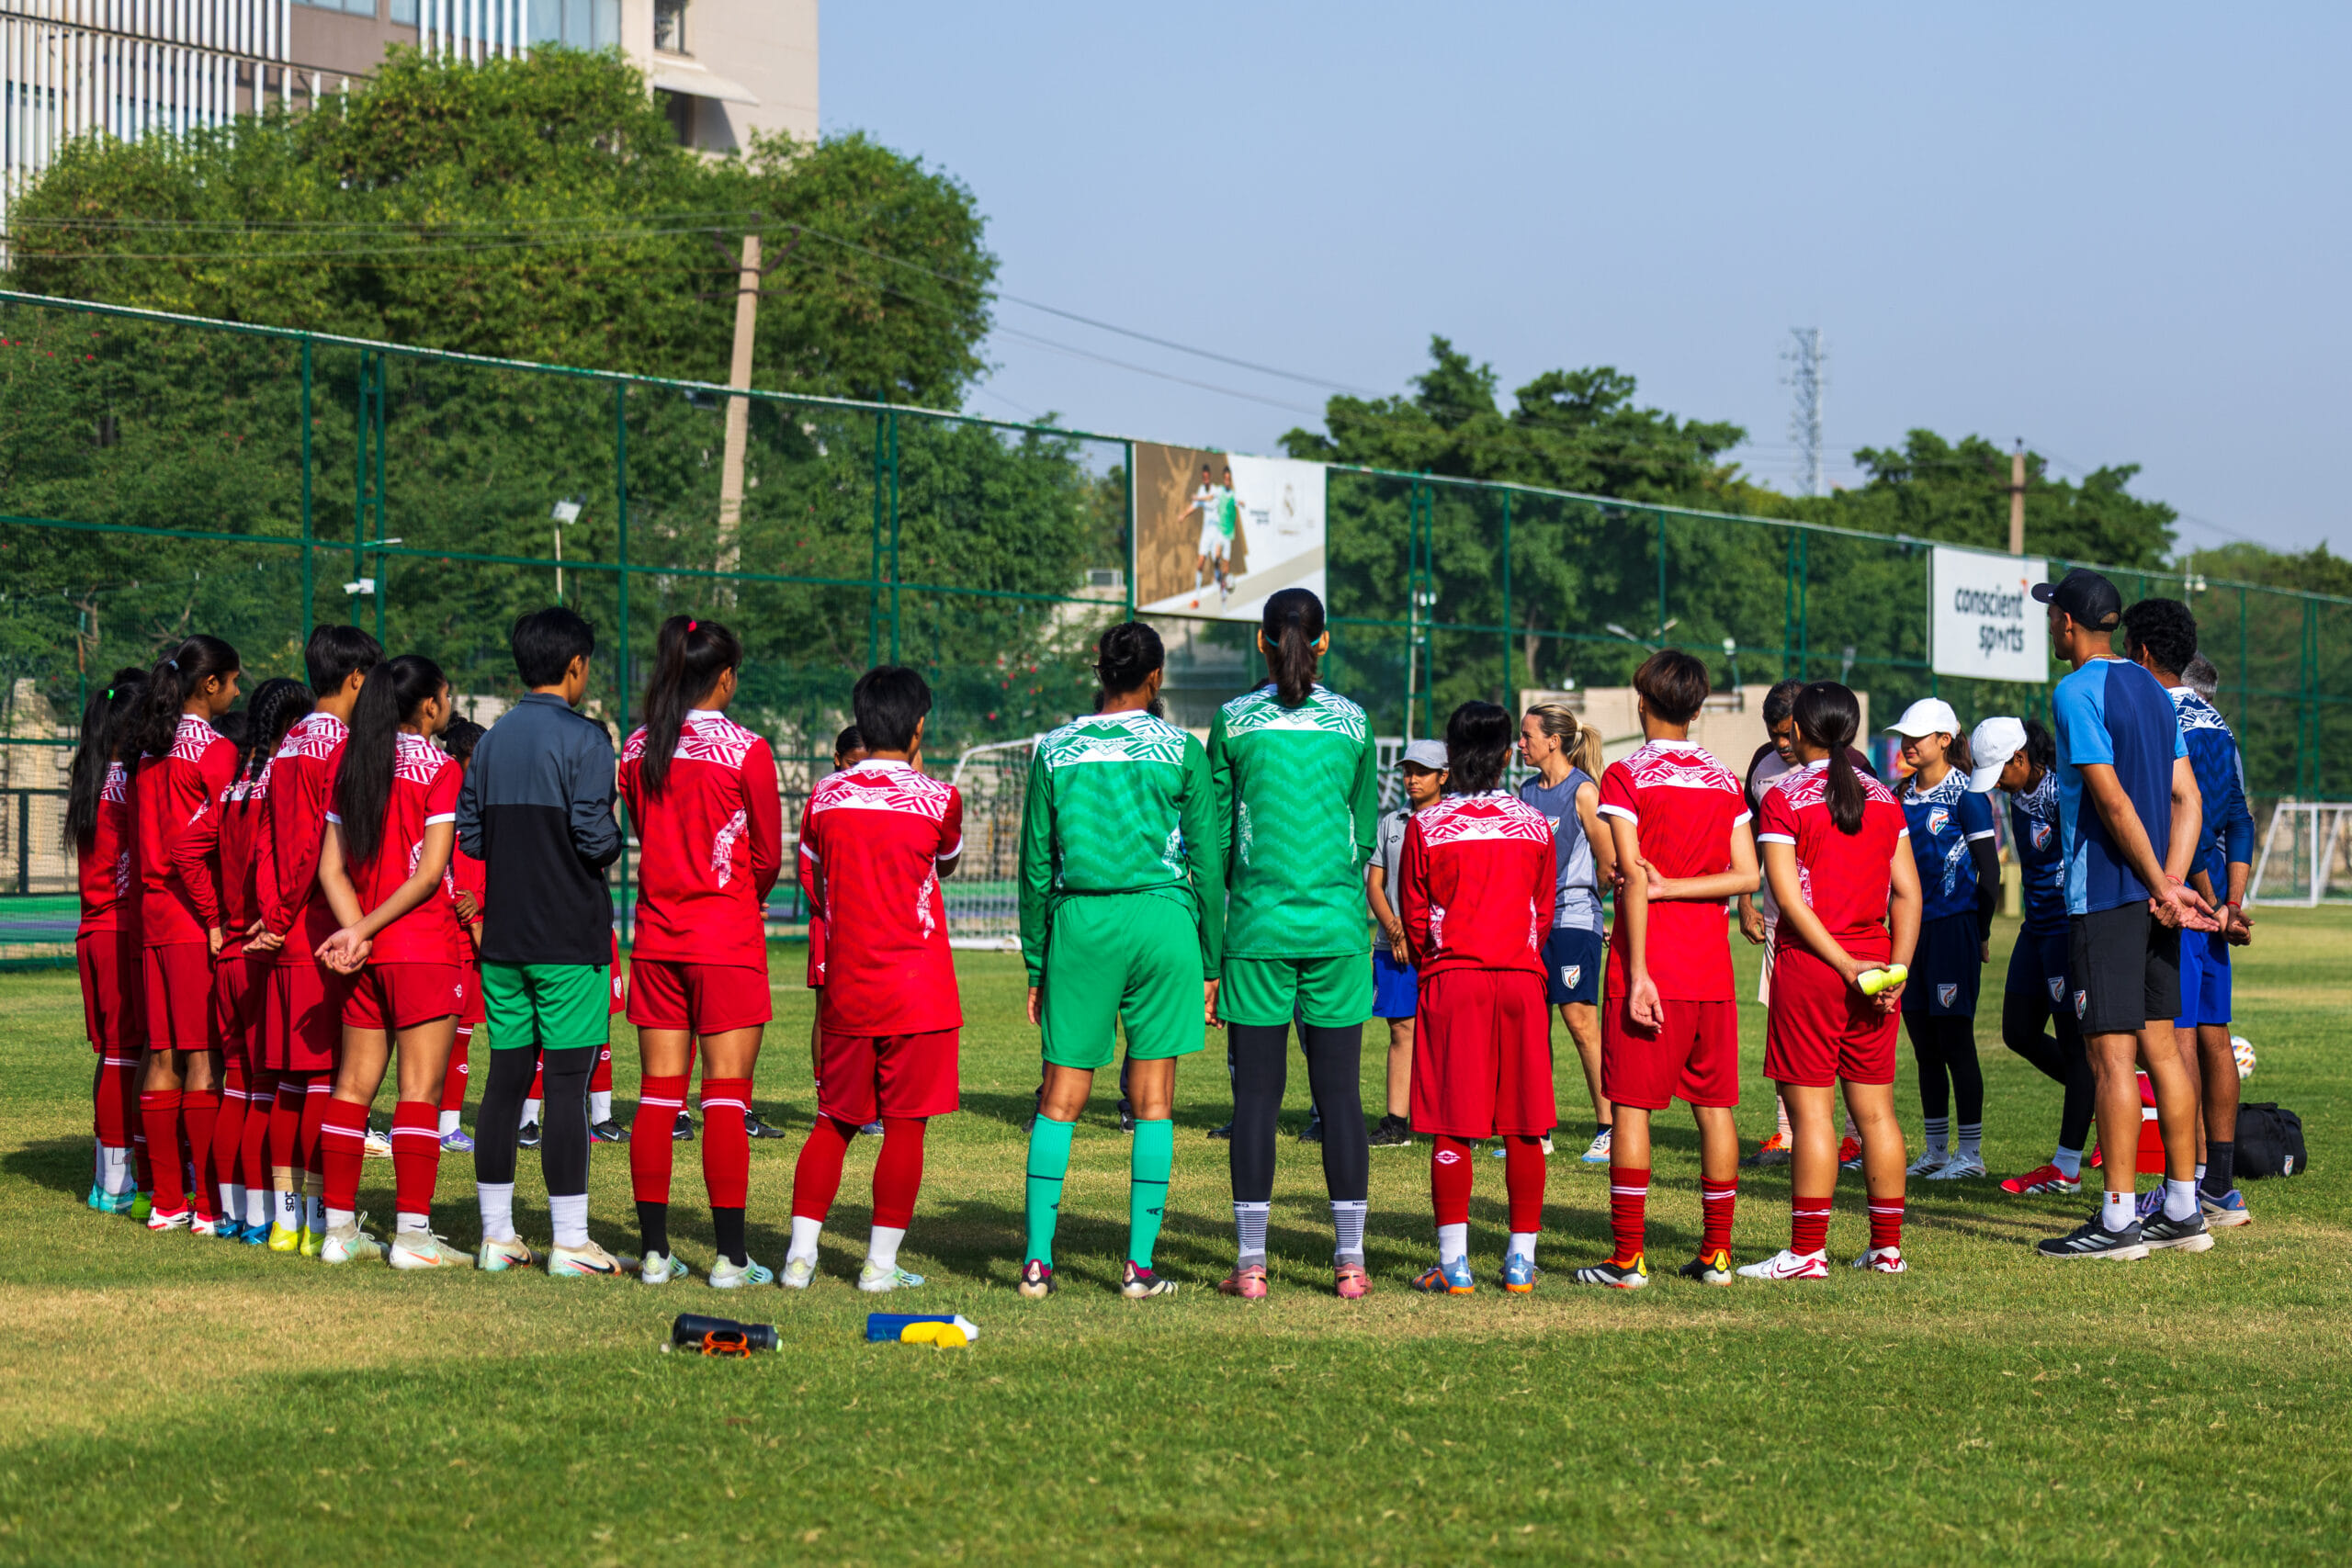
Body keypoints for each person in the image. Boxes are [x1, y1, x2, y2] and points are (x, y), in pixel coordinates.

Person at [1014, 623, 1222, 1299]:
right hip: (1164, 922)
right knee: (1154, 1100)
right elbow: (1208, 862)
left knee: (1062, 1096)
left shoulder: (1055, 748)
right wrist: (1212, 957)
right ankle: (1138, 1268)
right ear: (1155, 677)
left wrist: (1037, 961)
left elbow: (1037, 863)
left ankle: (1038, 1264)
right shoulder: (1180, 748)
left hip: (1082, 923)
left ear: (1098, 671)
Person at [2030, 568, 2218, 1260]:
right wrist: (2170, 879)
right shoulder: (2154, 687)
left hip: (2107, 896)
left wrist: (2156, 884)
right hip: (2149, 895)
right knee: (2164, 1049)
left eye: (2054, 615)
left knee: (2111, 1058)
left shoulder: (2076, 691)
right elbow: (2187, 799)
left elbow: (2111, 803)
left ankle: (2116, 1221)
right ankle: (2181, 1205)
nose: (2051, 625)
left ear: (2071, 624)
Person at [1207, 587, 1378, 1300]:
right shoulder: (1355, 722)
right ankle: (1351, 1264)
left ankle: (1251, 1266)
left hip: (1255, 929)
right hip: (1337, 930)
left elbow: (1215, 835)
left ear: (1261, 641)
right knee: (1339, 1096)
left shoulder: (1232, 720)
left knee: (1256, 1100)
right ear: (1325, 641)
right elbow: (1363, 831)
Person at [1571, 649, 1758, 1290]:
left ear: (1642, 702)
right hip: (1711, 970)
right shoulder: (1724, 778)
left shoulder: (1626, 775)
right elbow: (1747, 875)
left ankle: (1627, 1258)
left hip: (1646, 965)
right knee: (1715, 1109)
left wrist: (1642, 967)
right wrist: (1681, 886)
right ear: (1700, 707)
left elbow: (1632, 878)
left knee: (1630, 1109)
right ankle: (1718, 1254)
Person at [457, 607, 628, 1277]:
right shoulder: (586, 740)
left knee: (503, 1083)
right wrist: (611, 838)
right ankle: (571, 1241)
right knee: (565, 1087)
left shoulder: (493, 741)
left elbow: (471, 837)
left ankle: (497, 1236)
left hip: (503, 940)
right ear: (575, 666)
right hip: (567, 938)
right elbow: (595, 835)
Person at [785, 666, 964, 1292]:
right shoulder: (940, 798)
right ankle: (878, 1268)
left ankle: (799, 1258)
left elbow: (811, 877)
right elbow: (947, 862)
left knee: (832, 1119)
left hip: (848, 982)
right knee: (905, 1127)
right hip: (918, 986)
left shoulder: (824, 796)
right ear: (919, 726)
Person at [618, 616, 784, 1287]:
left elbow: (640, 829)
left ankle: (655, 1253)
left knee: (659, 1097)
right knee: (724, 1097)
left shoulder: (637, 747)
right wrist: (744, 890)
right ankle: (730, 1258)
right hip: (727, 939)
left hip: (657, 939)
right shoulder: (748, 748)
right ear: (724, 676)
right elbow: (767, 855)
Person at [1739, 682, 1920, 1279]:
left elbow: (1788, 900)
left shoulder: (1785, 795)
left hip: (1814, 969)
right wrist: (1898, 968)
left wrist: (1843, 965)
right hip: (1877, 969)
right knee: (1877, 1115)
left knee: (1813, 1116)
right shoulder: (1883, 797)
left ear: (1799, 729)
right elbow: (1909, 894)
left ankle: (1807, 1252)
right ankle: (1887, 1249)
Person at [310, 655, 473, 1269]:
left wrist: (356, 932)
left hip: (368, 953)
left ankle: (340, 1230)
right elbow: (430, 874)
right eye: (447, 694)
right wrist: (370, 928)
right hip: (422, 949)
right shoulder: (440, 768)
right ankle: (412, 1236)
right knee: (418, 1092)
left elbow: (331, 867)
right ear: (428, 705)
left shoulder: (352, 761)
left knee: (351, 1088)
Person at [1398, 702, 1558, 1294]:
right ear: (1505, 755)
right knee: (1524, 1122)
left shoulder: (1427, 826)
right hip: (1519, 977)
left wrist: (1442, 954)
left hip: (1454, 979)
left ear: (1451, 754)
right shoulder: (1536, 824)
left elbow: (1415, 915)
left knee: (1451, 1123)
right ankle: (1520, 1262)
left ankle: (1455, 1264)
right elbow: (1542, 909)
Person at [2121, 599, 2257, 1228]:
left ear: (2144, 653)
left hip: (2180, 900)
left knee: (2172, 1043)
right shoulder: (2218, 720)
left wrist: (2200, 897)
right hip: (2214, 904)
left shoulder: (2151, 716)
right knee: (2214, 1037)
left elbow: (2190, 817)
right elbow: (2240, 818)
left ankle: (2184, 1191)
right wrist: (2233, 902)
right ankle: (2219, 1190)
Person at [260, 626, 382, 1256]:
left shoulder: (288, 742)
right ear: (357, 677)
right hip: (320, 926)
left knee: (289, 1080)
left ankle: (286, 1219)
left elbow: (269, 837)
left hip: (287, 926)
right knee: (323, 1080)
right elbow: (316, 842)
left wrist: (267, 910)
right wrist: (293, 913)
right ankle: (315, 1217)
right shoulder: (338, 742)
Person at [130, 635, 243, 1235]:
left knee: (162, 1054)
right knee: (204, 1056)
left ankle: (167, 1199)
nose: (238, 690)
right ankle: (206, 1205)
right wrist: (215, 919)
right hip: (193, 921)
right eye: (233, 680)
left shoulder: (149, 752)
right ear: (209, 684)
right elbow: (196, 848)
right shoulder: (217, 752)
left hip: (152, 918)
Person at [1971, 717, 2098, 1198]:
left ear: (2021, 759)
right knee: (2017, 1031)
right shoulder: (2016, 792)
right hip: (2036, 926)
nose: (1997, 784)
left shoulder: (2064, 790)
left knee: (2074, 1045)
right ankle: (2105, 1098)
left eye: (2000, 772)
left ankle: (2066, 1166)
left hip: (2068, 927)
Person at [210, 678, 312, 1244]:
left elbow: (186, 848)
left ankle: (236, 1213)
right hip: (262, 954)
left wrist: (213, 917)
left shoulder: (234, 785)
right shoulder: (283, 781)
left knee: (238, 1091)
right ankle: (269, 1218)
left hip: (228, 952)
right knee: (271, 1093)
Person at [1885, 698, 2000, 1180]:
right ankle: (1935, 1150)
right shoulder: (1896, 795)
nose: (1908, 744)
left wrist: (1980, 931)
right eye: (1905, 736)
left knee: (1955, 1040)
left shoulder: (1968, 796)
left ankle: (1969, 1155)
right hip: (1910, 935)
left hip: (1954, 929)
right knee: (1924, 1044)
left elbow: (1989, 871)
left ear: (1945, 741)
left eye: (1918, 737)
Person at [64, 671, 149, 1216]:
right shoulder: (131, 779)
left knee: (114, 1055)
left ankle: (106, 1174)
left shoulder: (94, 776)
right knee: (123, 1057)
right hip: (119, 932)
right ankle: (116, 1182)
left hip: (95, 930)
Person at [1517, 702, 1614, 1165]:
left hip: (1575, 921)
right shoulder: (1524, 792)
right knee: (1532, 1026)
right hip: (1531, 926)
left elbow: (1610, 863)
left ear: (1553, 741)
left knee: (1579, 1023)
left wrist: (1597, 911)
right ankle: (1539, 1130)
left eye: (1527, 736)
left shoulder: (1584, 792)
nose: (1520, 744)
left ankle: (1608, 1127)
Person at [1365, 739, 1447, 1148]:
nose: (1411, 779)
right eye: (1407, 771)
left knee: (1444, 1034)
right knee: (1401, 1030)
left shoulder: (1454, 822)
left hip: (1439, 947)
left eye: (1422, 772)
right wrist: (1395, 929)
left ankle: (1445, 1118)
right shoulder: (1391, 822)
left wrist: (1417, 935)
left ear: (1444, 777)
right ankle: (1397, 1122)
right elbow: (1374, 884)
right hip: (1393, 945)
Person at [809, 724, 878, 1141]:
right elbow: (809, 866)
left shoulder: (875, 794)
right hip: (831, 921)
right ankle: (827, 1094)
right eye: (854, 763)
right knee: (828, 1011)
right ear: (837, 759)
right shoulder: (823, 796)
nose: (860, 771)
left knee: (868, 1009)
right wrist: (833, 908)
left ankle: (867, 1101)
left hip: (866, 923)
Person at [437, 716, 488, 1153]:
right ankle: (433, 1123)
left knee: (463, 1035)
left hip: (470, 941)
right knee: (445, 1037)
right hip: (449, 941)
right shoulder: (442, 806)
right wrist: (472, 921)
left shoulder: (474, 809)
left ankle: (447, 1124)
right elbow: (444, 873)